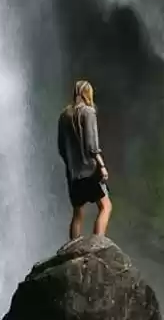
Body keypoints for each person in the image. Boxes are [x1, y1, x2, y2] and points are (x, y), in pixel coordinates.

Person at [57, 79, 113, 240]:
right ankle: (98, 241)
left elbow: (61, 147)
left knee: (77, 212)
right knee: (105, 206)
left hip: (73, 173)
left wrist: (70, 164)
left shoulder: (64, 116)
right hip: (89, 169)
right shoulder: (88, 112)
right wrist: (101, 165)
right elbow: (92, 145)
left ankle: (73, 246)